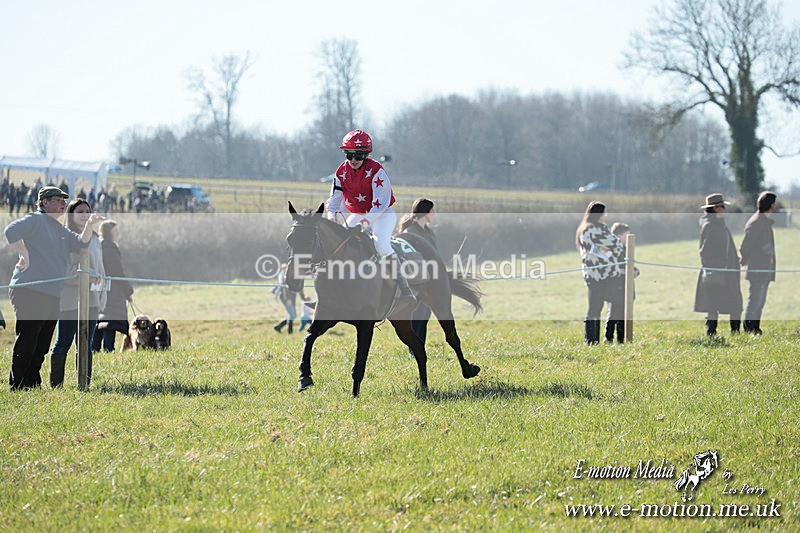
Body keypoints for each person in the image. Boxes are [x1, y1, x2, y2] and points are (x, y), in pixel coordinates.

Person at [4, 186, 104, 390]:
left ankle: (32, 384)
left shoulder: (59, 229)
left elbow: (81, 243)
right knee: (29, 339)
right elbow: (10, 231)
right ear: (44, 202)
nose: (63, 204)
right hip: (30, 290)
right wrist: (24, 253)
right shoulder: (36, 219)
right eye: (58, 200)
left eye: (63, 201)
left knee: (42, 343)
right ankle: (18, 385)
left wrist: (90, 224)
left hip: (51, 293)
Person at [326, 129, 416, 300]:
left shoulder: (377, 171)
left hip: (382, 215)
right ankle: (332, 291)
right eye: (349, 154)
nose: (353, 160)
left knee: (381, 245)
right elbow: (335, 200)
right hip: (358, 215)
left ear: (366, 154)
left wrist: (364, 223)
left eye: (358, 155)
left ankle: (404, 286)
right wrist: (332, 219)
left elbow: (379, 204)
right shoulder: (340, 172)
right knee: (338, 243)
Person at [50, 199, 107, 388]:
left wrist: (101, 291)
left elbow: (100, 268)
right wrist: (87, 276)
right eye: (79, 211)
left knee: (86, 343)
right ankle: (56, 385)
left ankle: (84, 384)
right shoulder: (65, 238)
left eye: (87, 211)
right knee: (63, 341)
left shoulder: (96, 239)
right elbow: (65, 270)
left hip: (90, 298)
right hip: (69, 297)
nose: (84, 214)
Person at [693, 193, 742, 336]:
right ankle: (712, 333)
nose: (724, 209)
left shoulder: (719, 224)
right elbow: (705, 253)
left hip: (727, 271)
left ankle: (735, 333)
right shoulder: (710, 226)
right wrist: (719, 267)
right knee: (713, 305)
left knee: (734, 303)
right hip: (718, 273)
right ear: (714, 208)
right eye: (721, 206)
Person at [576, 201, 624, 345]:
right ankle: (591, 340)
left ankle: (595, 340)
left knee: (599, 307)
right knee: (595, 308)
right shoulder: (592, 230)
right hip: (599, 274)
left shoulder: (590, 229)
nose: (605, 216)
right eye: (604, 213)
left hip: (599, 273)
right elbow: (616, 245)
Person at [397, 198, 437, 346]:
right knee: (417, 316)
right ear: (426, 212)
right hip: (416, 281)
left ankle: (420, 348)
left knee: (425, 315)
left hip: (428, 279)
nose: (434, 214)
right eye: (432, 211)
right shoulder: (410, 232)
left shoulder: (428, 232)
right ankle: (414, 350)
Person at [739, 191, 777, 335]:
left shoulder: (764, 221)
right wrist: (744, 259)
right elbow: (745, 246)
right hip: (757, 269)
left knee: (759, 302)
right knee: (754, 301)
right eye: (774, 203)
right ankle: (749, 329)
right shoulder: (756, 222)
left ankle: (755, 328)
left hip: (765, 270)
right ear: (771, 205)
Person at [92, 220, 134, 352]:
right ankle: (108, 349)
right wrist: (128, 290)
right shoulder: (109, 248)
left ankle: (94, 349)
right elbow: (117, 271)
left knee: (99, 321)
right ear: (109, 232)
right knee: (110, 322)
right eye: (115, 231)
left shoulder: (98, 245)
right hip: (112, 289)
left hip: (99, 287)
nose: (118, 233)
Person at [604, 222, 640, 343]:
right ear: (618, 236)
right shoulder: (611, 250)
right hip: (614, 288)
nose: (629, 237)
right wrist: (627, 272)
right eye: (627, 235)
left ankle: (621, 339)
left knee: (624, 315)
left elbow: (630, 266)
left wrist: (635, 271)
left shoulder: (627, 250)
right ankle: (608, 338)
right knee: (613, 314)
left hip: (626, 287)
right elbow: (611, 268)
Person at [273, 263, 307, 334]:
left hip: (291, 299)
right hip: (286, 298)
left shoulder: (296, 276)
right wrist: (288, 299)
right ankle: (289, 331)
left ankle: (279, 327)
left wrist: (303, 298)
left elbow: (300, 288)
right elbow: (285, 289)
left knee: (292, 315)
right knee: (293, 315)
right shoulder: (286, 277)